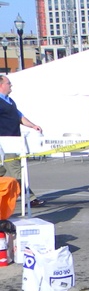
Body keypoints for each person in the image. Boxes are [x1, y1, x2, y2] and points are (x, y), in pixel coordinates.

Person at [0, 74, 44, 206]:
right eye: (8, 83)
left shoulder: (10, 101)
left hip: (14, 141)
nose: (11, 86)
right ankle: (30, 198)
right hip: (5, 143)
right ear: (1, 85)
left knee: (2, 170)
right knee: (17, 171)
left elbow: (19, 116)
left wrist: (33, 125)